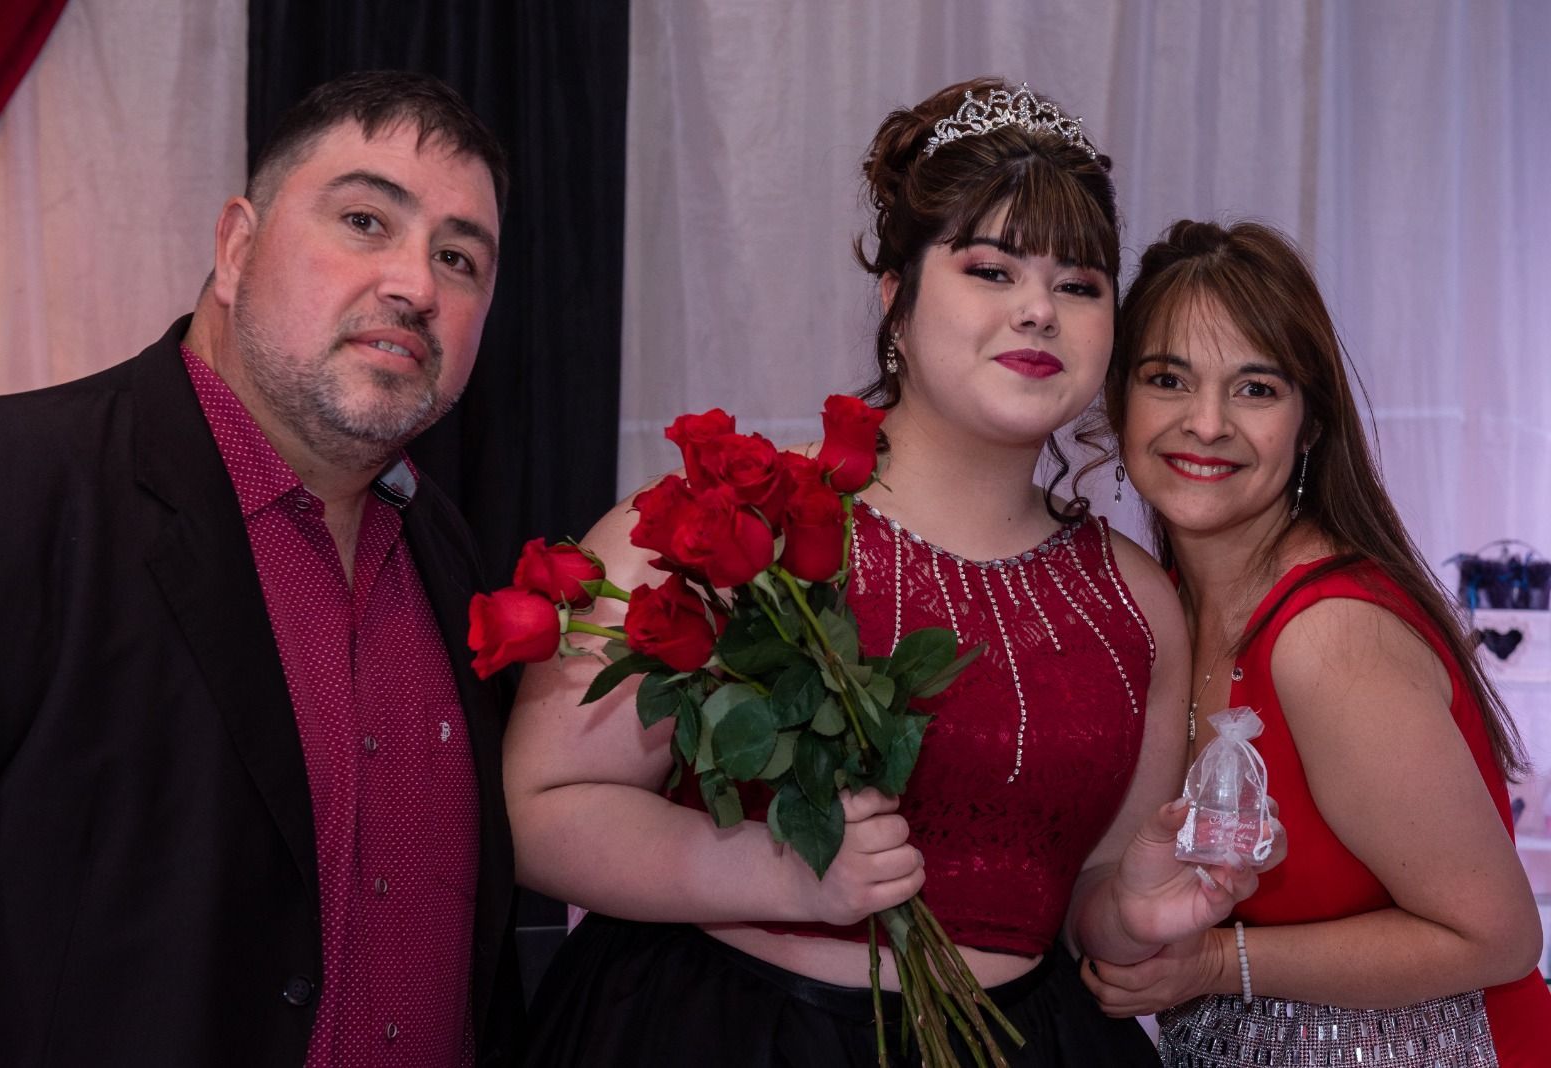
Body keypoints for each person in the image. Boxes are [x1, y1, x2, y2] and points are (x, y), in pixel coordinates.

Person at [504, 77, 1260, 1067]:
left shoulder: (1139, 604)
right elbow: (542, 812)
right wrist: (781, 875)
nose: (1039, 309)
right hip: (718, 1033)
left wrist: (1134, 905)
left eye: (1078, 285)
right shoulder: (725, 528)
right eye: (990, 270)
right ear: (894, 297)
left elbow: (1086, 912)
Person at [0, 71, 520, 1067]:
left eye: (460, 258)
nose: (416, 285)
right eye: (363, 219)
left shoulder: (449, 554)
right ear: (235, 248)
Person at [1083, 219, 1551, 1066]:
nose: (1207, 422)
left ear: (1308, 428)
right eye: (1168, 378)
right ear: (1118, 400)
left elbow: (1499, 938)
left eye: (1255, 389)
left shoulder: (1328, 637)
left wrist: (1218, 964)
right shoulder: (1163, 614)